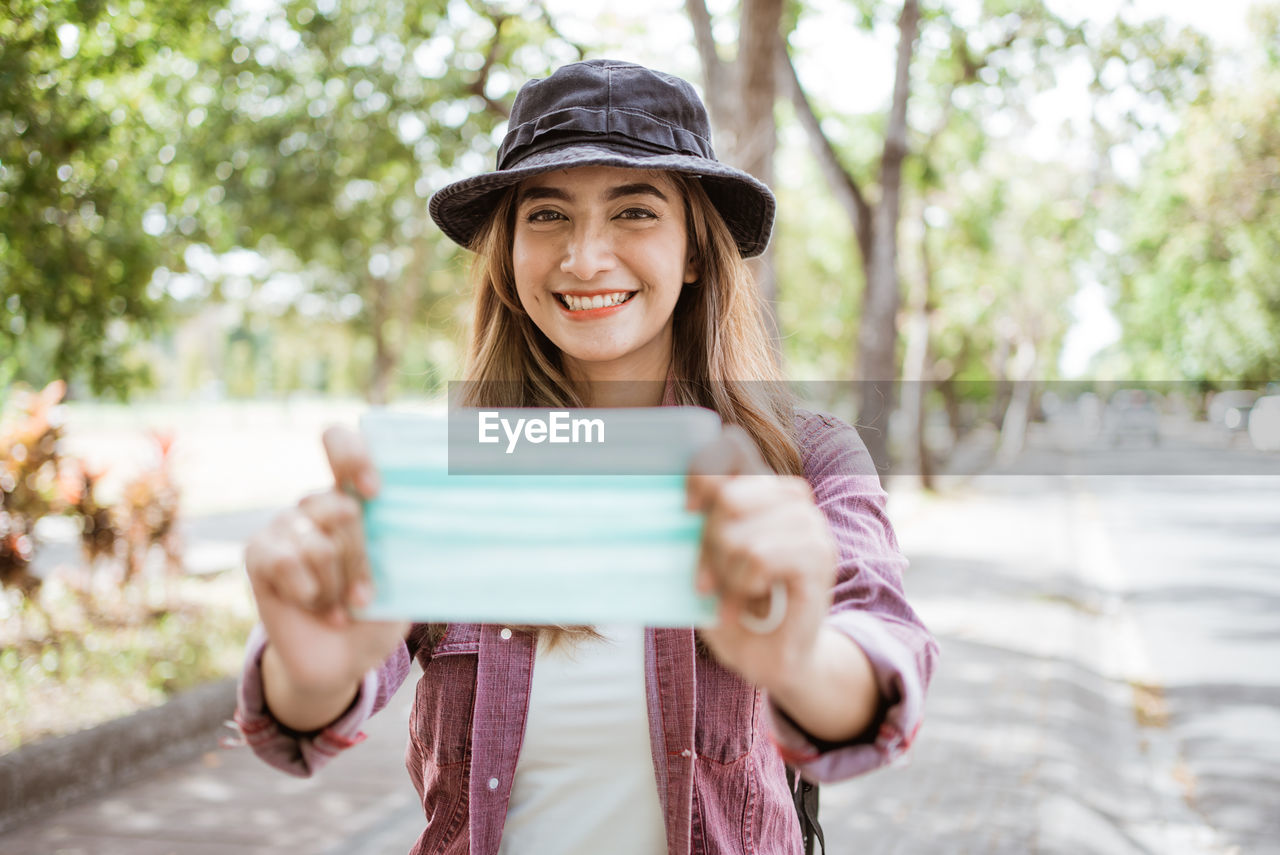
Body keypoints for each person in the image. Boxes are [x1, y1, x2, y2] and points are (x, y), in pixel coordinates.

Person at [234, 59, 937, 855]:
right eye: (547, 216)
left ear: (695, 252)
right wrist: (310, 674)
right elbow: (310, 698)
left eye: (634, 211)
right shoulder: (450, 474)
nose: (584, 257)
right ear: (507, 253)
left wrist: (802, 659)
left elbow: (884, 651)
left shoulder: (804, 458)